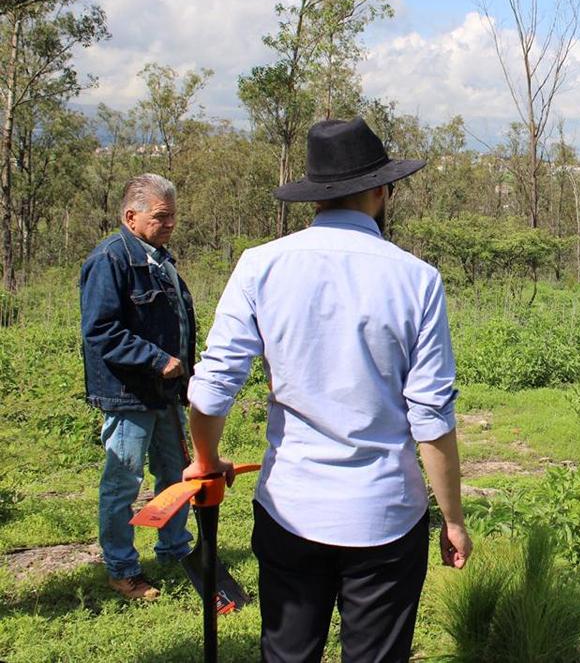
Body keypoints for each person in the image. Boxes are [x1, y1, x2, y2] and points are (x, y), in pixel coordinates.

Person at [185, 117, 472, 663]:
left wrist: (205, 460)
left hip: (292, 507)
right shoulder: (416, 279)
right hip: (385, 514)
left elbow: (212, 387)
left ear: (316, 195)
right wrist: (453, 519)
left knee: (288, 654)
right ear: (382, 190)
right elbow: (431, 417)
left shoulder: (259, 265)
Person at [80, 173, 195, 600]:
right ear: (131, 216)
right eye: (161, 217)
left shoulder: (160, 258)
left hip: (167, 393)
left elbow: (177, 324)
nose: (170, 224)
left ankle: (174, 550)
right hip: (129, 394)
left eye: (173, 217)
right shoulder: (110, 260)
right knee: (123, 483)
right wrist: (156, 359)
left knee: (176, 475)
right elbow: (101, 331)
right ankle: (122, 568)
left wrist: (185, 370)